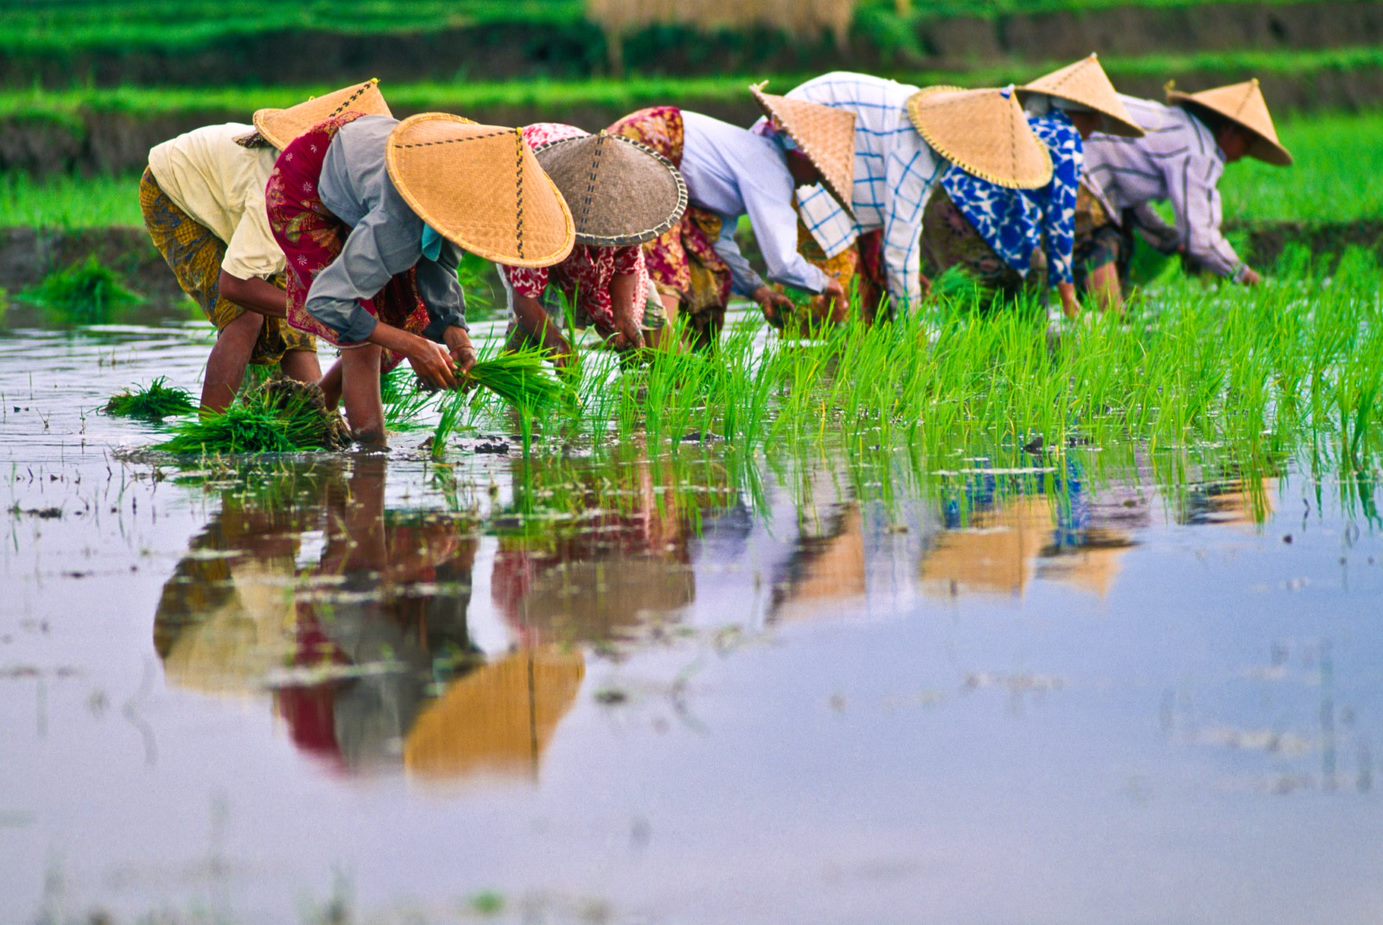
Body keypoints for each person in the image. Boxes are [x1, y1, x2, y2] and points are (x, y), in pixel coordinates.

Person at [266, 108, 575, 444]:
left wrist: (458, 337)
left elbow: (438, 262)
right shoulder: (396, 226)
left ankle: (306, 413)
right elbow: (328, 302)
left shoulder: (453, 202)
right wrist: (416, 346)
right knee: (363, 336)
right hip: (304, 182)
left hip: (364, 163)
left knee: (395, 313)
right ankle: (371, 447)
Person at [139, 83, 392, 412]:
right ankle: (211, 433)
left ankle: (313, 422)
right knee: (247, 316)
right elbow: (235, 286)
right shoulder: (277, 193)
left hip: (231, 195)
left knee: (295, 323)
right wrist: (322, 315)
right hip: (174, 189)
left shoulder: (328, 192)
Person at [778, 73, 1052, 320]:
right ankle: (804, 363)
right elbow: (900, 247)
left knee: (872, 285)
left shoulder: (933, 137)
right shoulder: (916, 154)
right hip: (804, 148)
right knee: (829, 290)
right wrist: (912, 330)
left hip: (839, 161)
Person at [608, 88, 853, 348]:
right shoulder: (772, 170)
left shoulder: (751, 156)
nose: (815, 183)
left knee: (710, 265)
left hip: (652, 146)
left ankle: (688, 357)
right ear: (801, 156)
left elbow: (719, 243)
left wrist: (760, 292)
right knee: (667, 264)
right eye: (819, 173)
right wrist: (828, 284)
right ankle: (664, 359)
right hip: (650, 145)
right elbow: (783, 263)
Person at [923, 55, 1145, 317]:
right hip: (974, 221)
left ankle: (976, 349)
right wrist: (1068, 294)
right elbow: (1060, 223)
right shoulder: (1065, 139)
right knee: (1032, 278)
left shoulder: (1029, 124)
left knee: (968, 303)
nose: (1097, 128)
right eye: (1097, 118)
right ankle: (1030, 348)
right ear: (1085, 114)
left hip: (941, 207)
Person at [1079, 78, 1293, 303]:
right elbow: (1200, 240)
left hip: (1075, 159)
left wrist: (1169, 240)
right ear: (1230, 130)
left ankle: (1104, 316)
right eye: (1247, 144)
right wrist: (1246, 276)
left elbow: (1134, 208)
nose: (1243, 155)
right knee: (1100, 236)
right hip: (1079, 167)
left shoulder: (1182, 126)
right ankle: (1111, 321)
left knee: (1117, 229)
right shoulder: (1200, 151)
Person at [499, 123, 686, 363]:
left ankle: (669, 387)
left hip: (576, 179)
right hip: (540, 209)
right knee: (528, 344)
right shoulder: (530, 219)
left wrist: (624, 316)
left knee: (652, 336)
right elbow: (524, 298)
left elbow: (627, 265)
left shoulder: (623, 208)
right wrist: (557, 344)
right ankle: (517, 394)